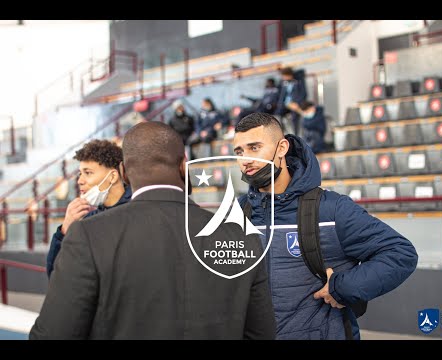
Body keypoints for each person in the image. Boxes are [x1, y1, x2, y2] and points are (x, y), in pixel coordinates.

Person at [30, 122, 276, 340]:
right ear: (183, 166)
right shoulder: (243, 237)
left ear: (124, 172)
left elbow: (54, 333)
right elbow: (261, 333)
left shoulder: (89, 235)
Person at [233, 113, 418, 340]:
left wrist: (344, 287)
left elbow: (400, 253)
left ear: (281, 148)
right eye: (239, 152)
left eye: (254, 148)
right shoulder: (237, 213)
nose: (245, 160)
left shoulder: (332, 210)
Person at [46, 139, 131, 278]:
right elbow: (56, 276)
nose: (80, 180)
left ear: (113, 176)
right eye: (80, 173)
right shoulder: (88, 221)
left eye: (88, 173)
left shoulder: (138, 209)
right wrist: (65, 230)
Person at [274, 67, 307, 136]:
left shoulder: (298, 82)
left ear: (289, 75)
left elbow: (303, 94)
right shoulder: (283, 83)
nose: (283, 78)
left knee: (295, 117)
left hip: (295, 104)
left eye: (285, 76)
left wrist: (297, 103)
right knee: (277, 115)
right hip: (285, 104)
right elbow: (281, 96)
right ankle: (281, 134)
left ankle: (296, 134)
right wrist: (279, 105)